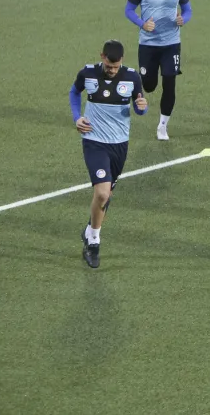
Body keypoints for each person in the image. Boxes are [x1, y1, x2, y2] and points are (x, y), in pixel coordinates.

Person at [70, 40, 147, 268]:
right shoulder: (88, 73)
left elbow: (140, 107)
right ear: (102, 56)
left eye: (116, 67)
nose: (112, 71)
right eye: (109, 66)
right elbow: (74, 92)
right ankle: (94, 241)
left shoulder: (132, 78)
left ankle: (89, 230)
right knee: (102, 194)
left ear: (122, 60)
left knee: (107, 196)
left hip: (119, 144)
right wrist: (77, 117)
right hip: (94, 141)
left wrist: (142, 107)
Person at [125, 0, 192, 141]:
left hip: (171, 44)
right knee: (150, 85)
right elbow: (129, 9)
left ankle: (162, 126)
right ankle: (137, 83)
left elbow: (187, 9)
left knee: (169, 83)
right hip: (148, 44)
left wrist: (183, 19)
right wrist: (142, 24)